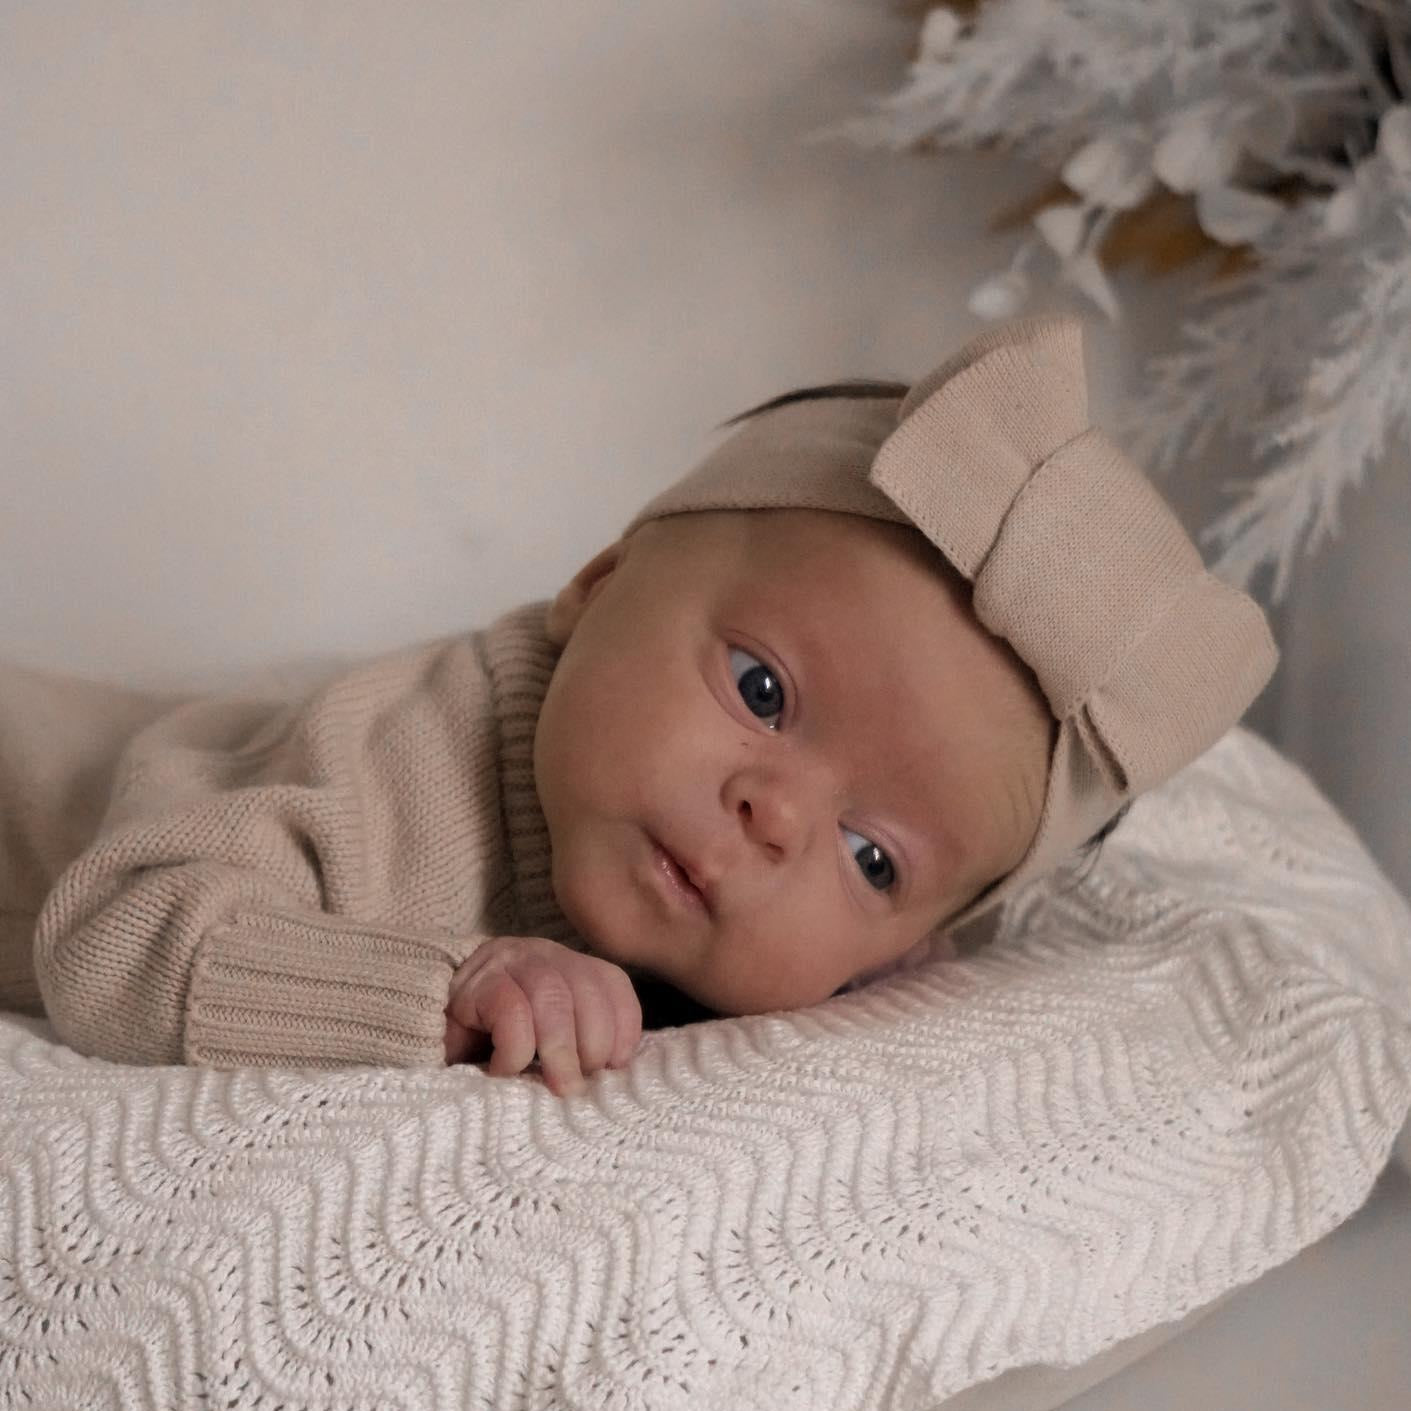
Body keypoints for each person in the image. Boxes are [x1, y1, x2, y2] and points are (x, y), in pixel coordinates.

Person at [0, 314, 1278, 1095]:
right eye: (763, 689)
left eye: (872, 854)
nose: (774, 816)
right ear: (596, 587)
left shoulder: (785, 946)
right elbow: (113, 932)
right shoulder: (401, 754)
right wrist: (448, 985)